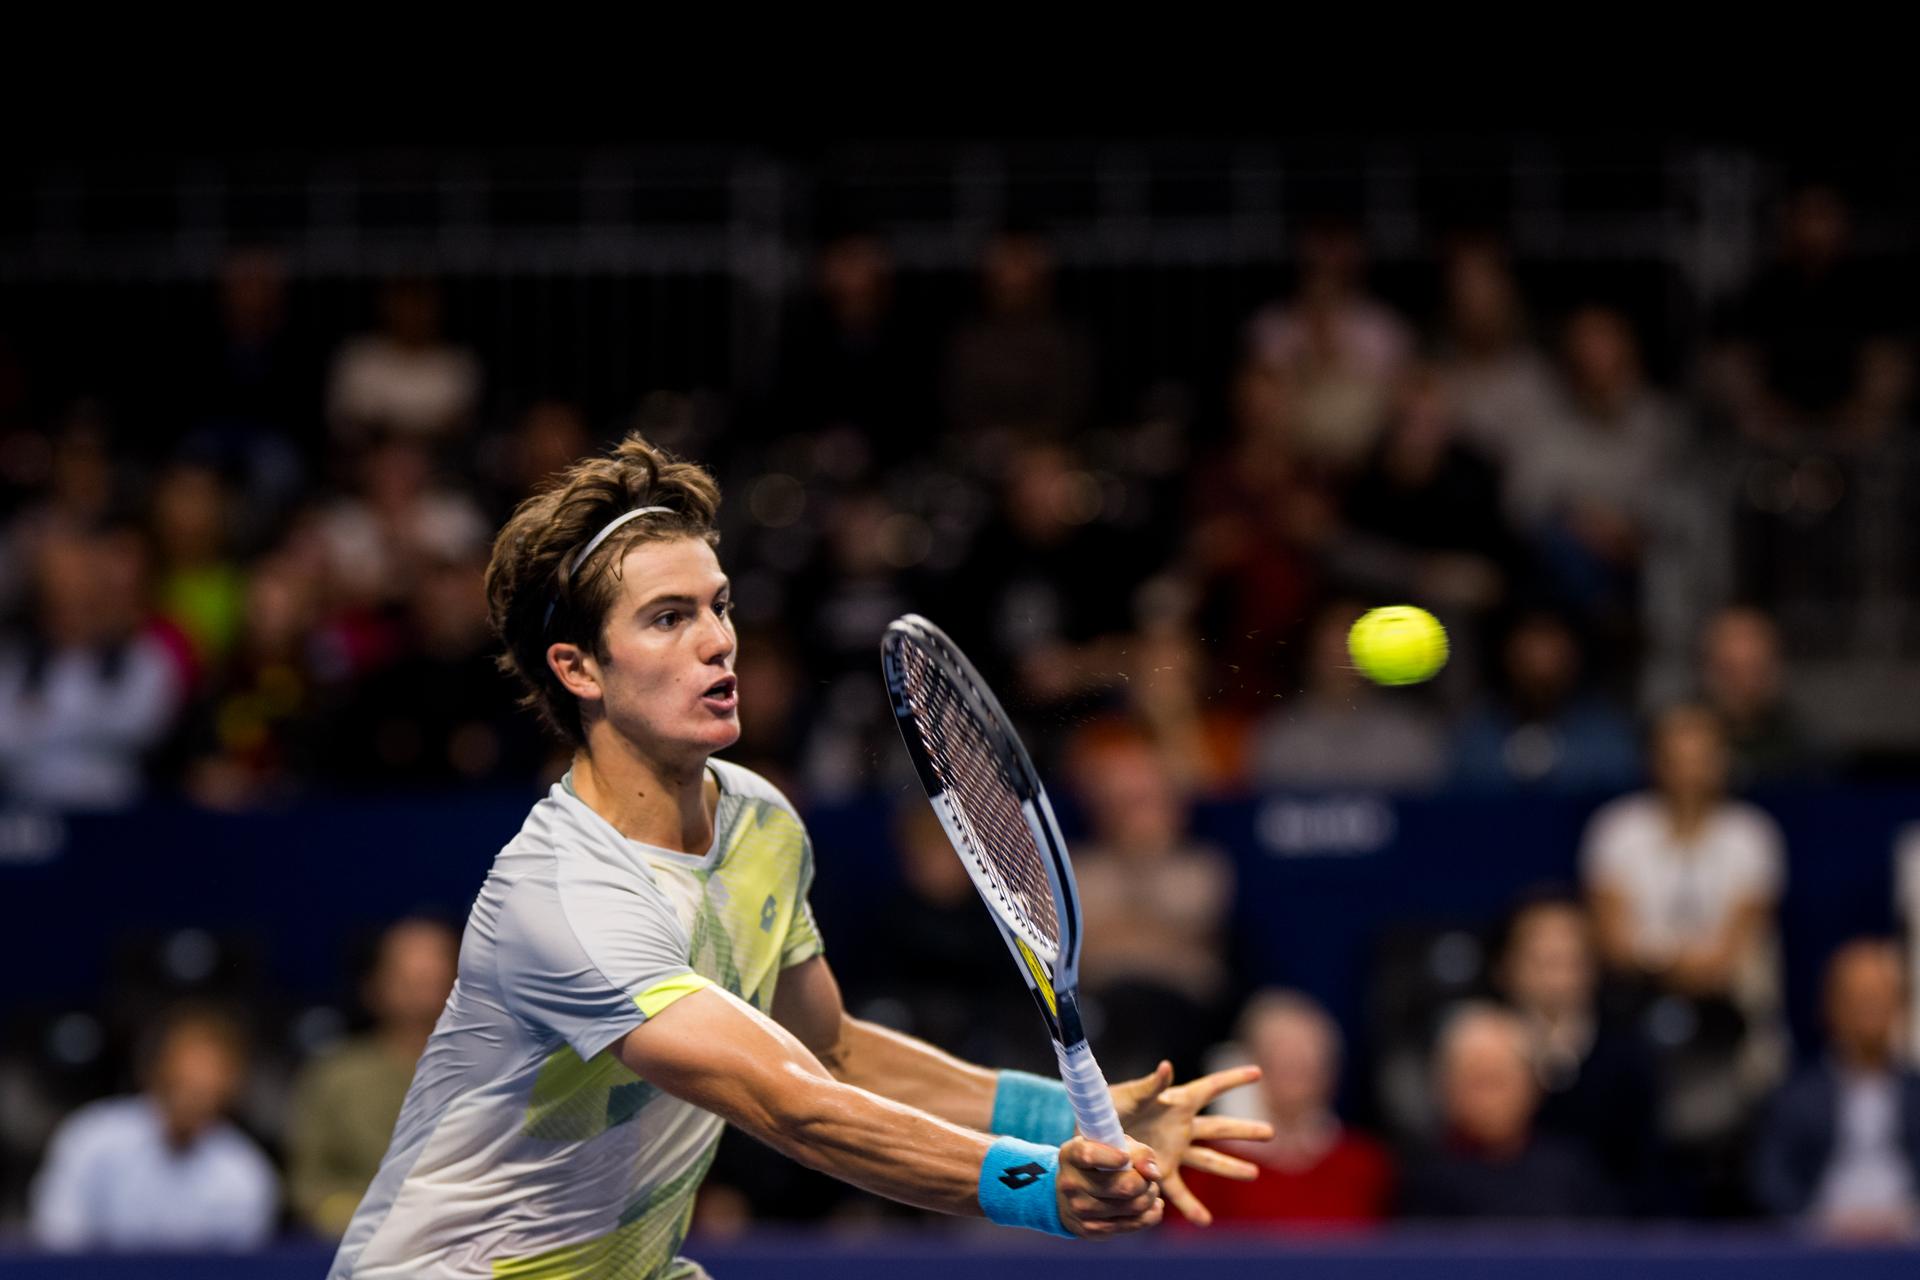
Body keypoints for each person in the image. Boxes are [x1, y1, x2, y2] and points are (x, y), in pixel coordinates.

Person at [327, 434, 1269, 1279]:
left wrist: (1066, 1121)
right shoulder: (565, 896)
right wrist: (1034, 1189)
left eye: (719, 606)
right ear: (578, 669)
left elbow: (834, 1052)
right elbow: (791, 1105)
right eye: (667, 619)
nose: (719, 641)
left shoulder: (762, 823)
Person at [30, 1007, 277, 1251]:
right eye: (183, 1080)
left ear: (228, 1089)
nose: (193, 1096)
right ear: (157, 1070)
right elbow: (57, 1241)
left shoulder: (244, 1174)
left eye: (205, 1087)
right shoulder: (92, 1137)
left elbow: (240, 1270)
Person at [289, 918, 461, 1237]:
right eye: (405, 975)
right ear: (375, 985)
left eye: (431, 975)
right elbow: (307, 1183)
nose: (418, 986)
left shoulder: (500, 1073)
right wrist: (365, 1217)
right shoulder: (335, 1076)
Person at [1491, 892, 1658, 1205]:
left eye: (1571, 962)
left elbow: (1643, 1170)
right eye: (1543, 961)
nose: (1557, 980)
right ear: (1506, 967)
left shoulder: (1625, 1059)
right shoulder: (1479, 1053)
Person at [1177, 991, 1395, 1227]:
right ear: (1251, 1066)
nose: (1296, 1072)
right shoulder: (1211, 1165)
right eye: (1283, 1060)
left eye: (1307, 1061)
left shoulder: (1365, 1165)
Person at [1753, 940, 1920, 1239]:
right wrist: (1813, 1217)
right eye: (1860, 1000)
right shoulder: (1796, 1096)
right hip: (1822, 1242)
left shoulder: (1914, 1094)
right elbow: (1772, 1178)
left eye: (1879, 999)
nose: (1870, 1012)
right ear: (1832, 1006)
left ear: (1899, 1005)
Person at [1397, 1002, 1616, 1220]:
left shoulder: (1571, 1172)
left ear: (1532, 1087)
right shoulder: (1427, 1179)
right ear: (1446, 1088)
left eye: (1499, 1081)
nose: (1489, 1101)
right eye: (1477, 1082)